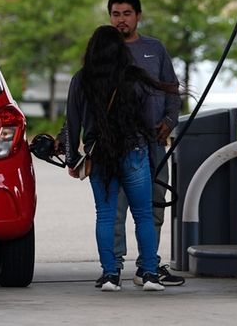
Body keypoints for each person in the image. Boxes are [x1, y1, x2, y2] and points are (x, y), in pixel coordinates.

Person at [62, 25, 177, 292]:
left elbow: (72, 123)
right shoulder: (134, 77)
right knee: (144, 215)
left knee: (105, 216)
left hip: (100, 155)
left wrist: (71, 160)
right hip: (134, 151)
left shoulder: (81, 80)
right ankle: (149, 274)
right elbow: (149, 120)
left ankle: (111, 275)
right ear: (121, 50)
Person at [107, 0, 185, 287]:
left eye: (127, 13)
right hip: (117, 145)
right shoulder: (104, 50)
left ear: (138, 16)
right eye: (116, 14)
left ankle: (147, 266)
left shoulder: (155, 48)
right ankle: (112, 267)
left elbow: (171, 89)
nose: (121, 20)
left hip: (153, 143)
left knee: (154, 204)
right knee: (115, 208)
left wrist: (169, 120)